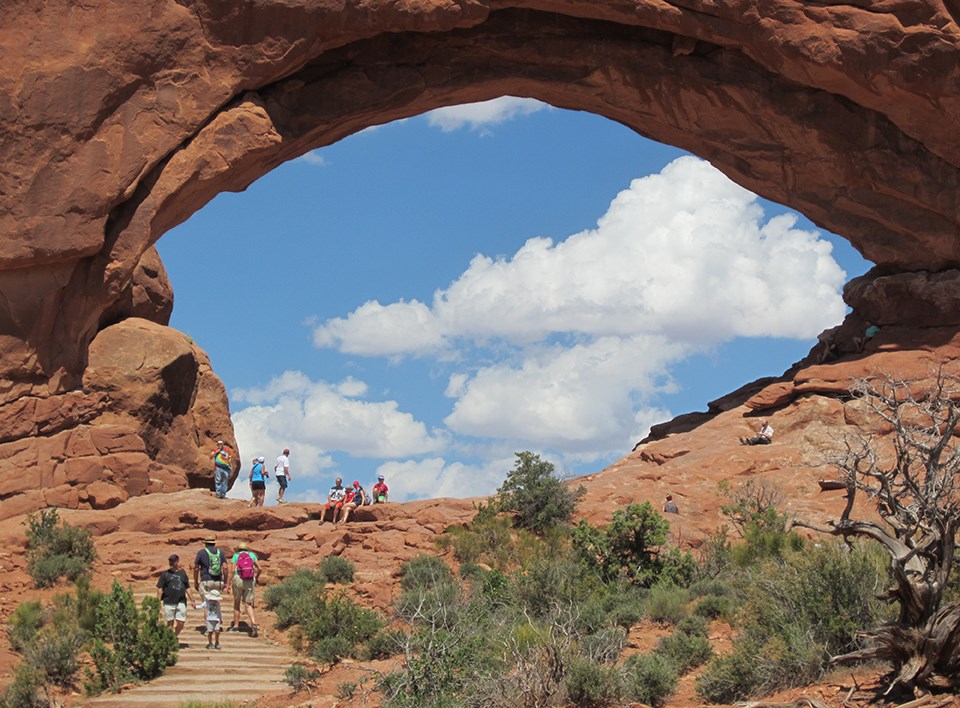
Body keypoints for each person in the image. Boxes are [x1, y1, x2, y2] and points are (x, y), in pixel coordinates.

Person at [156, 553, 195, 645]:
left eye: (173, 561)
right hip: (168, 601)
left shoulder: (182, 573)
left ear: (177, 562)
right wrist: (157, 602)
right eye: (170, 561)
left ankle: (174, 636)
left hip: (181, 601)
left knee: (181, 622)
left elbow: (187, 587)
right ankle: (170, 642)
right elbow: (160, 588)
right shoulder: (165, 574)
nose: (171, 562)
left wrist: (192, 600)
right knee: (170, 623)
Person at [228, 542, 261, 637]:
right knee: (248, 604)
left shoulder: (236, 555)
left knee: (237, 602)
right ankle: (253, 623)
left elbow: (232, 570)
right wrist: (256, 577)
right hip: (250, 580)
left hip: (238, 579)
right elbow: (260, 568)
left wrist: (228, 583)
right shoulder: (252, 555)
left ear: (238, 549)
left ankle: (236, 626)